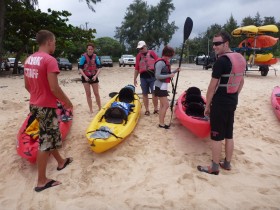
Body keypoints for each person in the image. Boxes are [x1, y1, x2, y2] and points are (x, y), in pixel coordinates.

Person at [24, 30, 73, 192]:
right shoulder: (49, 60)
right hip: (46, 106)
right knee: (45, 142)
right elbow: (54, 87)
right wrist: (67, 102)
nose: (55, 45)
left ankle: (60, 161)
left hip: (34, 104)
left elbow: (27, 86)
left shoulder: (29, 59)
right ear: (49, 42)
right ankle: (41, 181)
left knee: (48, 134)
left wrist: (38, 96)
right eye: (55, 42)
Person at [197, 31, 246, 175]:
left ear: (226, 44)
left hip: (220, 102)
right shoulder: (240, 58)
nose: (214, 46)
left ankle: (214, 167)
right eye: (213, 43)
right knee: (229, 134)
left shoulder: (221, 61)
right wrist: (234, 95)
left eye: (218, 43)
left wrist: (207, 106)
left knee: (216, 135)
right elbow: (241, 81)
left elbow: (212, 87)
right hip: (232, 100)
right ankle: (227, 163)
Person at [154, 45, 180, 129]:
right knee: (166, 105)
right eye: (171, 55)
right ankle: (161, 123)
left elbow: (166, 74)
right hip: (160, 86)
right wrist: (170, 75)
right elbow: (157, 76)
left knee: (162, 105)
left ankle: (161, 123)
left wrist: (175, 71)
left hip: (163, 86)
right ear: (167, 54)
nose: (171, 57)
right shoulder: (160, 62)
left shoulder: (165, 62)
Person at [134, 41, 159, 116]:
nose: (140, 50)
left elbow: (158, 63)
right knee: (145, 94)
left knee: (154, 94)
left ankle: (155, 109)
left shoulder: (152, 53)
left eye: (141, 48)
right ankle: (147, 110)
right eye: (139, 49)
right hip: (143, 77)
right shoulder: (138, 56)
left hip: (153, 77)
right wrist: (135, 78)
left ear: (145, 46)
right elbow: (137, 68)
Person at [79, 43, 102, 113]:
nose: (90, 50)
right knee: (88, 94)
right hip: (85, 77)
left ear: (93, 49)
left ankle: (100, 108)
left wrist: (95, 76)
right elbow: (80, 68)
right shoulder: (83, 57)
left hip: (94, 76)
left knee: (96, 93)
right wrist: (85, 76)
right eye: (89, 49)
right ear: (87, 49)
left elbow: (99, 68)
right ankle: (91, 109)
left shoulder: (96, 57)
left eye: (91, 49)